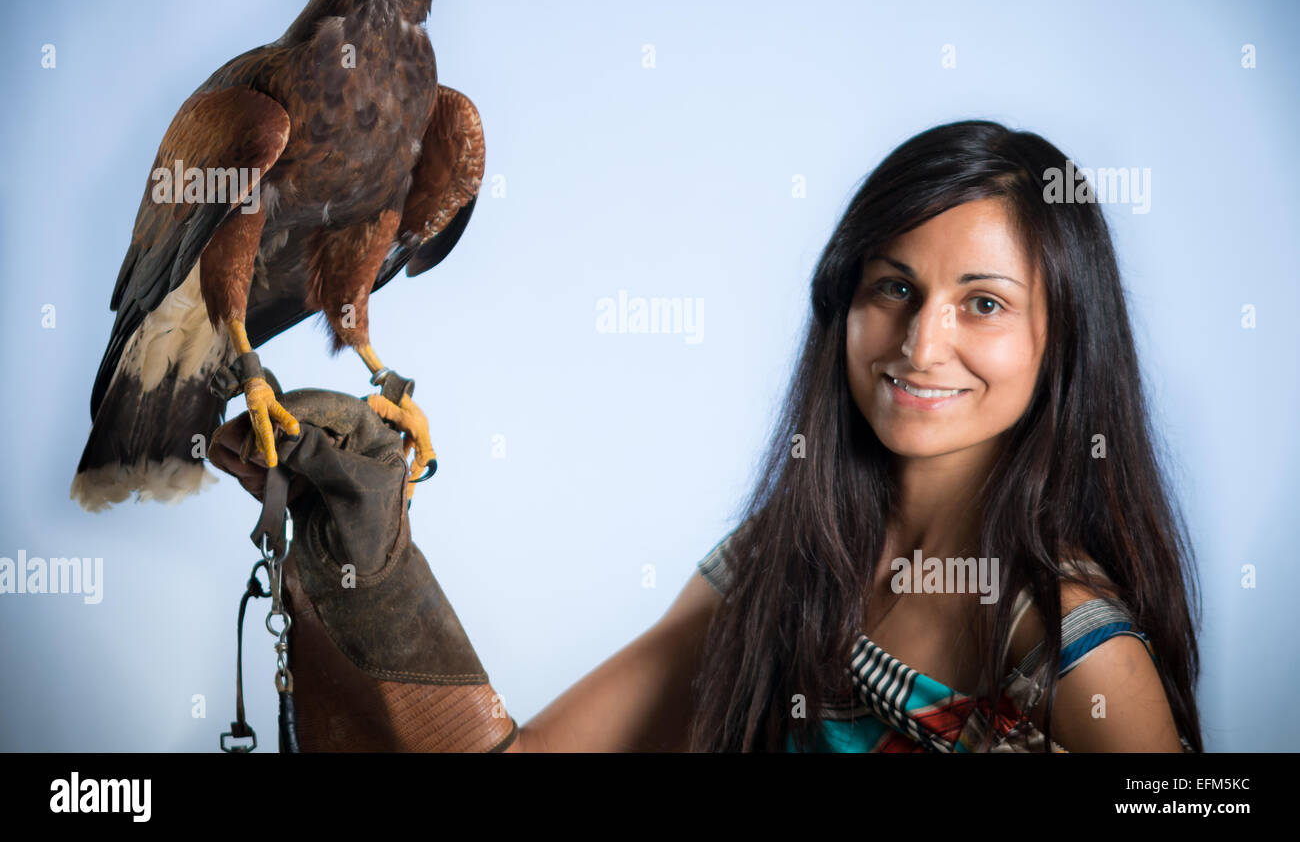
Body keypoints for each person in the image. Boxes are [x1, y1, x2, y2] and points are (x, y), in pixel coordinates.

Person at [214, 120, 1202, 753]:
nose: (919, 340)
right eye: (891, 286)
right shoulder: (777, 564)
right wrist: (369, 561)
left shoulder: (1073, 645)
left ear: (1058, 337)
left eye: (982, 301)